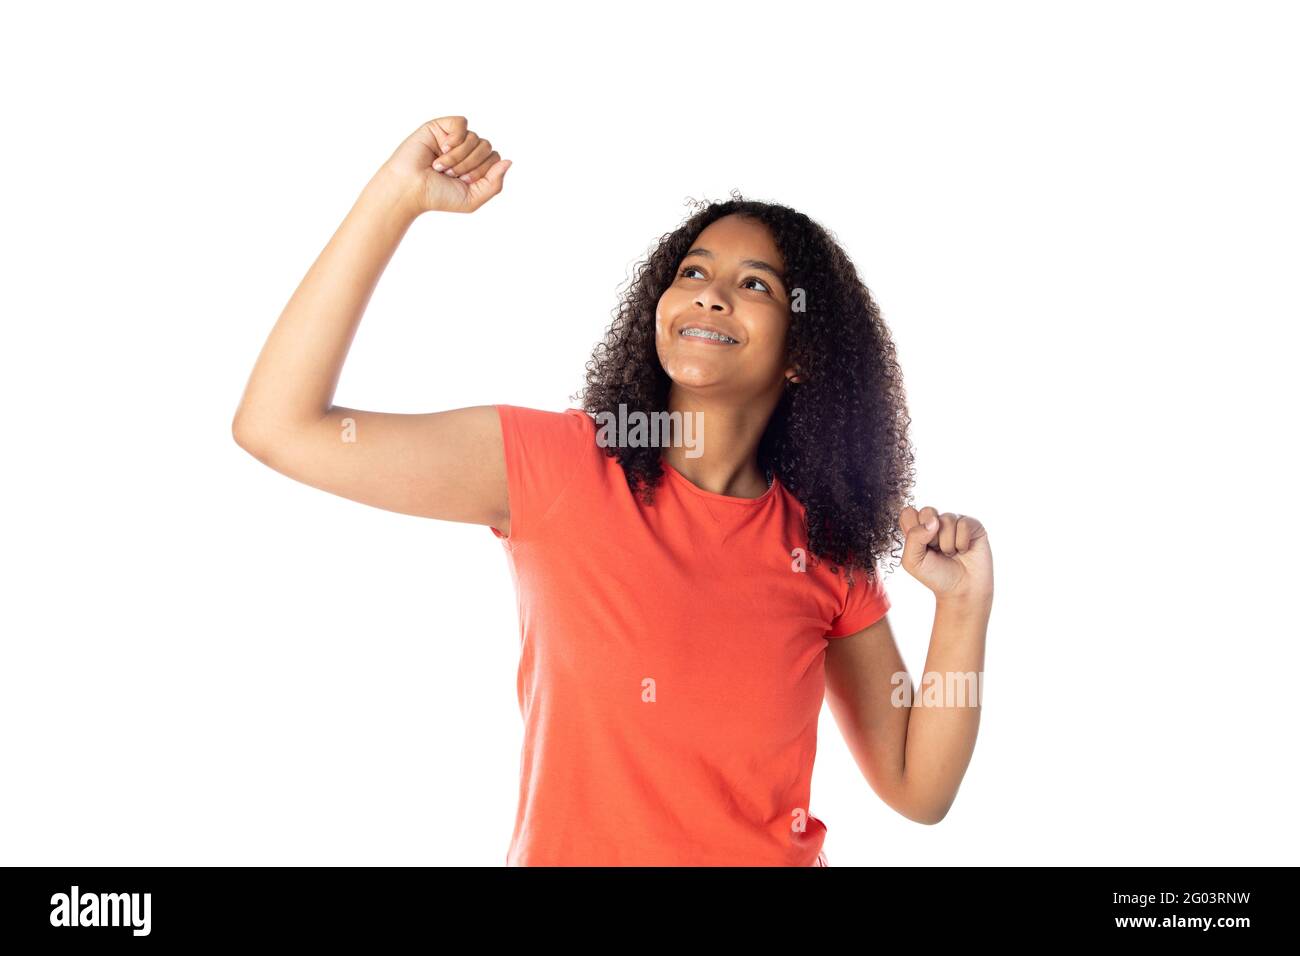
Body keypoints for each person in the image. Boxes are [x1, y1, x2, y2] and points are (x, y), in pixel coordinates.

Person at [232, 114, 995, 867]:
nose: (710, 294)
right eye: (692, 272)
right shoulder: (558, 466)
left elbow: (917, 789)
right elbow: (278, 425)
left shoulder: (824, 546)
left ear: (802, 353)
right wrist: (396, 197)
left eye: (755, 283)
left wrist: (963, 608)